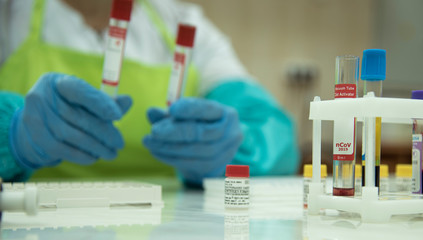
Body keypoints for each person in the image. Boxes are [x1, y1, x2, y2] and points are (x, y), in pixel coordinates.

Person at [0, 0, 299, 187]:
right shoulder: (11, 14)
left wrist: (232, 146)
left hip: (164, 223)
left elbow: (274, 135)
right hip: (37, 220)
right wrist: (11, 133)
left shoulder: (182, 22)